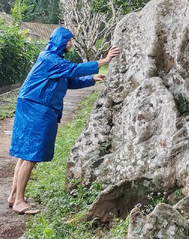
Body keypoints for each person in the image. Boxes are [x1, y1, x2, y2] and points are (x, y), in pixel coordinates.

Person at [7, 26, 119, 214]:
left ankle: (13, 196)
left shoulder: (54, 61)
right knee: (30, 156)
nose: (70, 43)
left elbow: (69, 80)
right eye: (68, 40)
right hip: (36, 108)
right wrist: (104, 61)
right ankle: (19, 201)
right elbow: (73, 69)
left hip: (35, 106)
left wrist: (91, 79)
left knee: (25, 154)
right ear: (60, 41)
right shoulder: (49, 59)